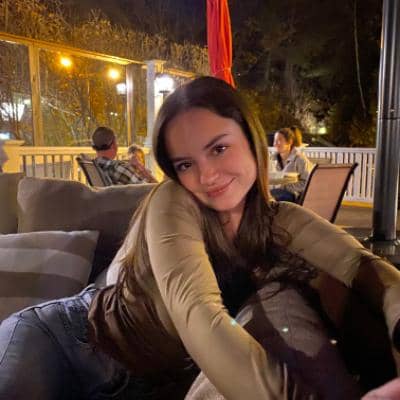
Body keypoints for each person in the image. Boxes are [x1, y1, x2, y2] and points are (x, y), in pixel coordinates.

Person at [0, 77, 400, 399]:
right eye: (185, 164)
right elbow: (197, 313)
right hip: (61, 343)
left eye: (219, 148)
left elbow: (362, 264)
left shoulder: (280, 220)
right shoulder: (172, 202)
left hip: (148, 384)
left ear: (251, 139)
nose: (206, 176)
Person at [270, 126, 314, 202]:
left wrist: (285, 187)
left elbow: (308, 183)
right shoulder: (272, 159)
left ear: (289, 142)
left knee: (268, 200)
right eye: (274, 140)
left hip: (293, 195)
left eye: (279, 140)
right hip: (276, 191)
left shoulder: (300, 159)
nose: (275, 144)